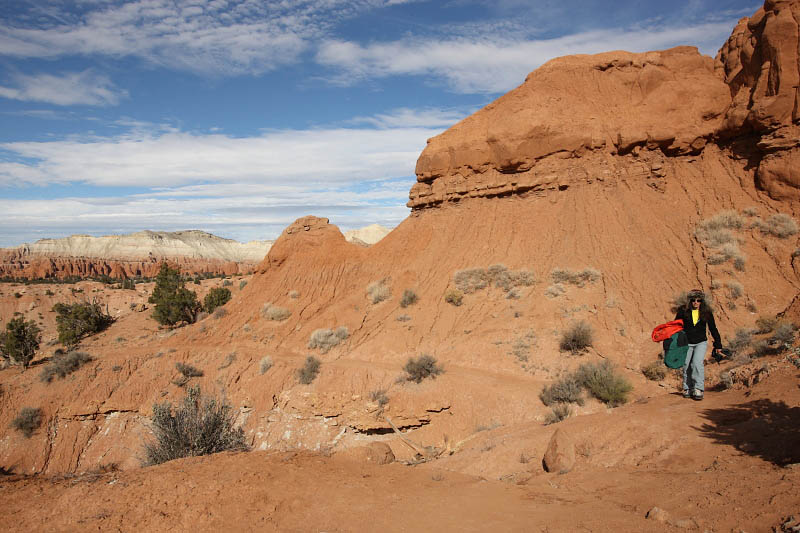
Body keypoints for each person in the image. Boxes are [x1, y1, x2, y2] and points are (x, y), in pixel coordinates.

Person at [674, 289, 722, 401]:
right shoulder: (683, 311)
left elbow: (713, 329)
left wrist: (718, 344)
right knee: (686, 364)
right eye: (693, 300)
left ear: (702, 301)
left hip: (700, 342)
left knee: (696, 363)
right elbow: (676, 325)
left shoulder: (706, 312)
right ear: (689, 301)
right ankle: (687, 388)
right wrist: (674, 341)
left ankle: (698, 388)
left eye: (699, 300)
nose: (696, 302)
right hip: (686, 342)